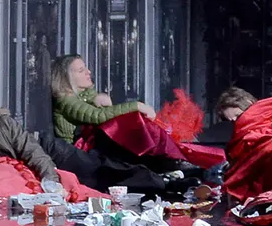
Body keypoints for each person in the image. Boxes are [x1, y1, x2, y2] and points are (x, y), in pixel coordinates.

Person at [46, 53, 190, 196]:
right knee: (123, 160)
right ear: (67, 78)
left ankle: (169, 168)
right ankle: (165, 177)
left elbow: (97, 105)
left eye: (86, 68)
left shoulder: (84, 95)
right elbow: (97, 117)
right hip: (81, 155)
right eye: (81, 70)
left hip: (92, 149)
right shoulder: (66, 100)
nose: (88, 72)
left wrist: (97, 98)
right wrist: (137, 106)